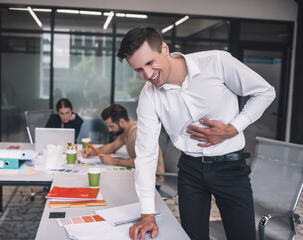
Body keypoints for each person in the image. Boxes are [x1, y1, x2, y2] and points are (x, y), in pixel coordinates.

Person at [117, 27, 276, 240]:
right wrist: (147, 213)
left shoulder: (217, 62)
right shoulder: (149, 95)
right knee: (193, 237)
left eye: (149, 63)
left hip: (230, 168)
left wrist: (234, 128)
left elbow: (265, 92)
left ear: (164, 48)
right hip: (190, 170)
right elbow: (146, 153)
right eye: (138, 70)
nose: (148, 74)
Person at [81, 104, 165, 191]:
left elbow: (142, 161)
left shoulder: (137, 133)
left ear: (122, 122)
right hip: (141, 175)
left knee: (110, 188)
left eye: (111, 126)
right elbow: (112, 146)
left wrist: (114, 161)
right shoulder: (126, 131)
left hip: (151, 182)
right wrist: (92, 152)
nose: (109, 130)